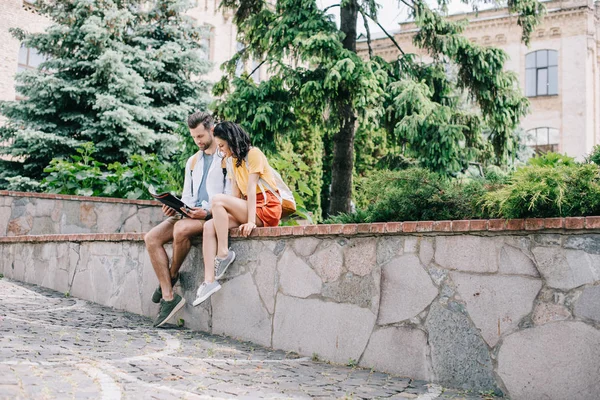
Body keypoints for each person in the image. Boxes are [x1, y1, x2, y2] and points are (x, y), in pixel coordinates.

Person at [144, 111, 229, 328]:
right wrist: (175, 206)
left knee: (181, 229)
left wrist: (207, 212)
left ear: (212, 130)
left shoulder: (225, 157)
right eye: (193, 137)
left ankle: (171, 275)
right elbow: (188, 196)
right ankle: (169, 297)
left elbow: (230, 196)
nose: (198, 141)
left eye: (200, 136)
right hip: (189, 213)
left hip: (209, 216)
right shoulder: (192, 161)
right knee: (151, 238)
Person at [192, 122, 282, 306]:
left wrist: (250, 222)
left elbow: (251, 187)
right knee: (209, 226)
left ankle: (224, 253)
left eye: (223, 146)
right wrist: (225, 214)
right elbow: (235, 196)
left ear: (232, 140)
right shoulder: (231, 161)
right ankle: (209, 281)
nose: (221, 151)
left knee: (217, 199)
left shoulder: (253, 154)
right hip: (249, 206)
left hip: (266, 208)